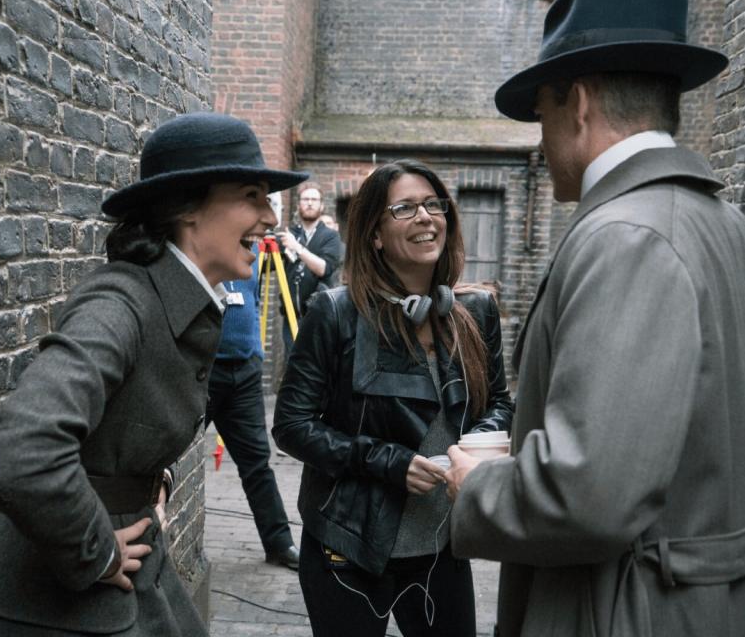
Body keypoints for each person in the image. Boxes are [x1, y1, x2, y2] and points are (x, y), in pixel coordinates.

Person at [444, 0, 745, 636]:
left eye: (542, 112)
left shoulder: (624, 237)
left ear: (581, 103)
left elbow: (589, 494)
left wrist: (482, 485)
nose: (541, 135)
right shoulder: (744, 236)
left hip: (637, 613)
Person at [0, 113, 308, 637]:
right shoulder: (121, 303)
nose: (269, 217)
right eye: (252, 196)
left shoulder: (178, 299)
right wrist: (96, 552)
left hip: (131, 560)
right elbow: (23, 453)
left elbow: (128, 425)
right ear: (189, 208)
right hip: (57, 599)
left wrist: (151, 481)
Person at [273, 159, 514, 637]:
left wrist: (475, 448)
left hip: (441, 549)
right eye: (404, 208)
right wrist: (388, 461)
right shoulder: (335, 313)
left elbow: (501, 404)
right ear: (376, 235)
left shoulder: (476, 311)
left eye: (433, 205)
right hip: (348, 549)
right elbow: (292, 425)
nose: (425, 216)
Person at [205, 247, 300, 569]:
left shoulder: (256, 251)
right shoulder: (208, 242)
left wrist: (255, 352)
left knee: (258, 463)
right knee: (173, 455)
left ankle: (279, 543)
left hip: (244, 369)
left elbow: (253, 296)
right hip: (205, 370)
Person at [277, 181, 341, 357]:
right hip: (291, 316)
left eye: (314, 199)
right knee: (292, 365)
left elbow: (324, 268)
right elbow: (269, 268)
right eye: (306, 199)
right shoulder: (289, 233)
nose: (310, 203)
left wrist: (297, 248)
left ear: (321, 205)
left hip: (320, 316)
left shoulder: (330, 236)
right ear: (299, 204)